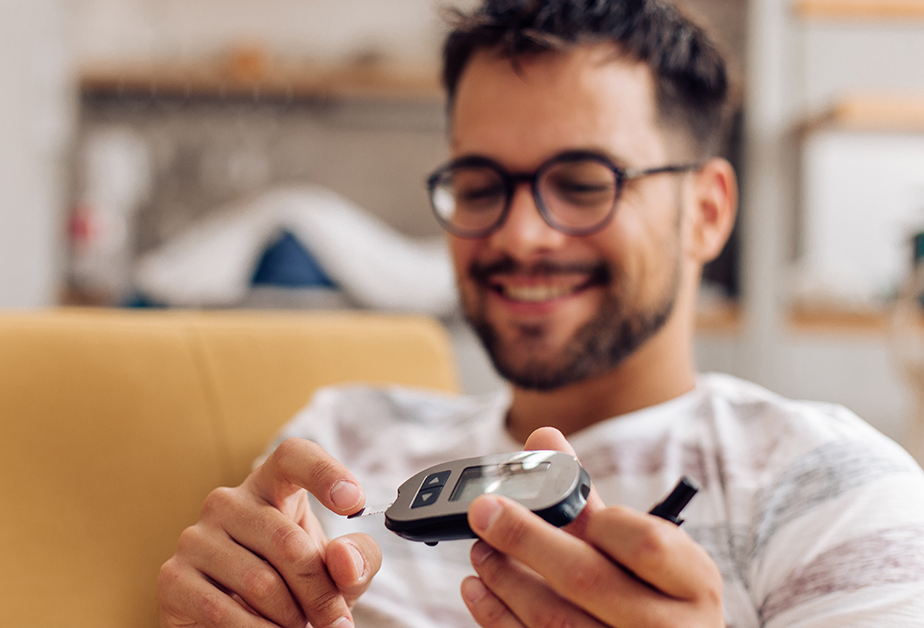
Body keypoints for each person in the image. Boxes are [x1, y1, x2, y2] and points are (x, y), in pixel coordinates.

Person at [156, 0, 924, 627]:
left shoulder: (832, 487)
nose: (521, 236)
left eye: (585, 182)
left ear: (707, 211)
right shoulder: (341, 446)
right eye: (482, 185)